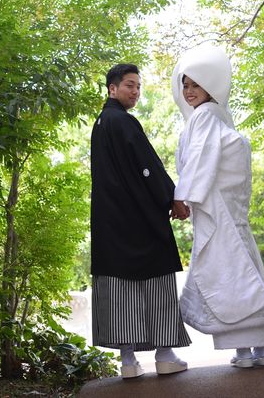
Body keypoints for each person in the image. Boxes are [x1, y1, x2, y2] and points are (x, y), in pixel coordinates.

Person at [171, 44, 264, 368]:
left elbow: (200, 158)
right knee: (241, 270)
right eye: (185, 85)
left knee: (227, 274)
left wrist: (181, 196)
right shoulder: (219, 118)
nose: (189, 91)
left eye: (196, 84)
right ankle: (259, 349)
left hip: (216, 211)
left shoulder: (204, 117)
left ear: (210, 86)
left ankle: (245, 352)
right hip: (229, 212)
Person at [90, 63, 191, 379]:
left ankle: (128, 361)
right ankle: (164, 354)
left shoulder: (101, 123)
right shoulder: (123, 122)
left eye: (138, 86)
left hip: (110, 222)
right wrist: (172, 198)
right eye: (129, 85)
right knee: (156, 281)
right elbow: (148, 167)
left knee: (119, 287)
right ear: (112, 88)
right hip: (138, 218)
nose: (135, 91)